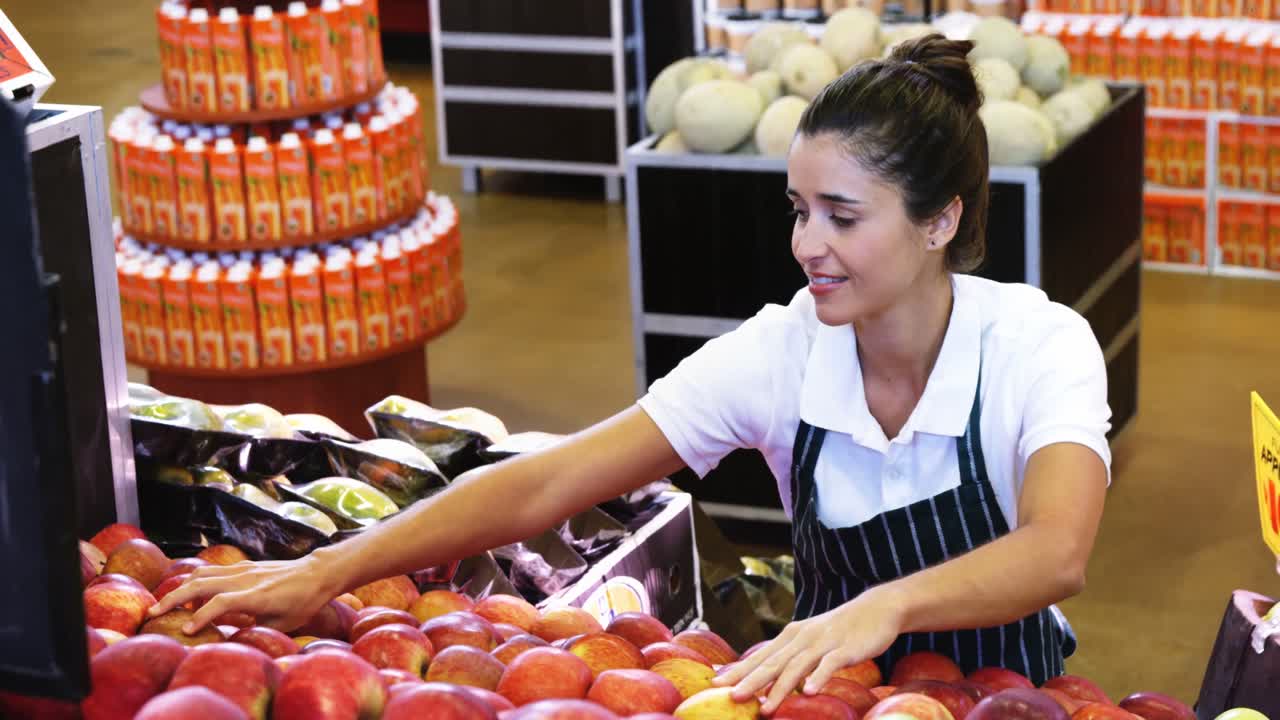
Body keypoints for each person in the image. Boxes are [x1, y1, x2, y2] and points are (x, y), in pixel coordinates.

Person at [152, 34, 1110, 714]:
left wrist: (884, 605)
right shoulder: (782, 354)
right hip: (821, 703)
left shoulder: (1036, 346)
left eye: (842, 217)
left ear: (939, 219)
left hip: (1013, 704)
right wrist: (328, 567)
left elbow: (1057, 548)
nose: (806, 244)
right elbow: (551, 479)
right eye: (796, 209)